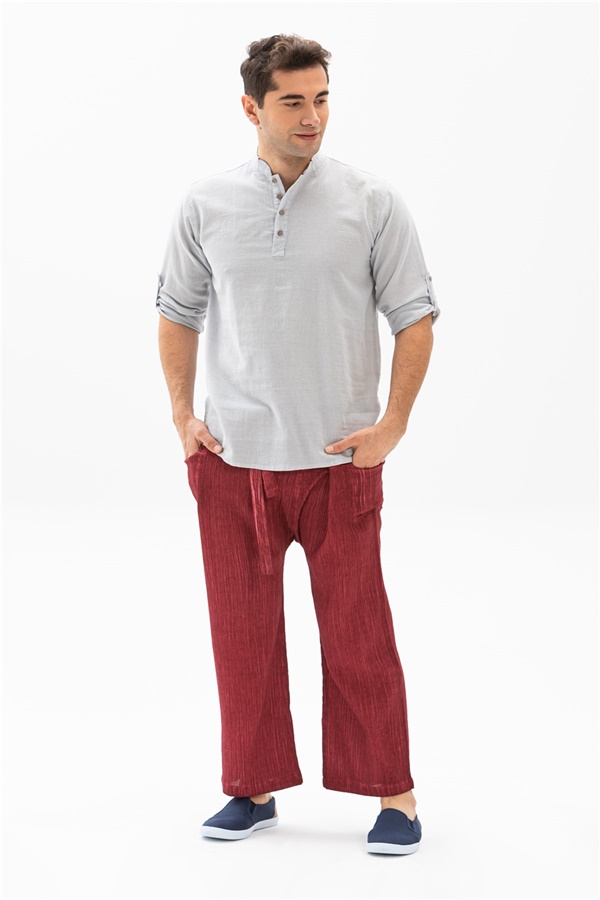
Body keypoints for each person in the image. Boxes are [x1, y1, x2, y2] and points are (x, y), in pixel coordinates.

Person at [155, 33, 440, 856]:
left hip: (339, 460)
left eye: (321, 99)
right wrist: (183, 418)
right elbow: (177, 311)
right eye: (292, 101)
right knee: (241, 637)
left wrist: (393, 425)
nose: (312, 116)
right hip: (232, 458)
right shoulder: (207, 203)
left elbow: (415, 316)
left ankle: (395, 795)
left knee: (359, 636)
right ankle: (251, 788)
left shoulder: (370, 201)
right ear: (252, 108)